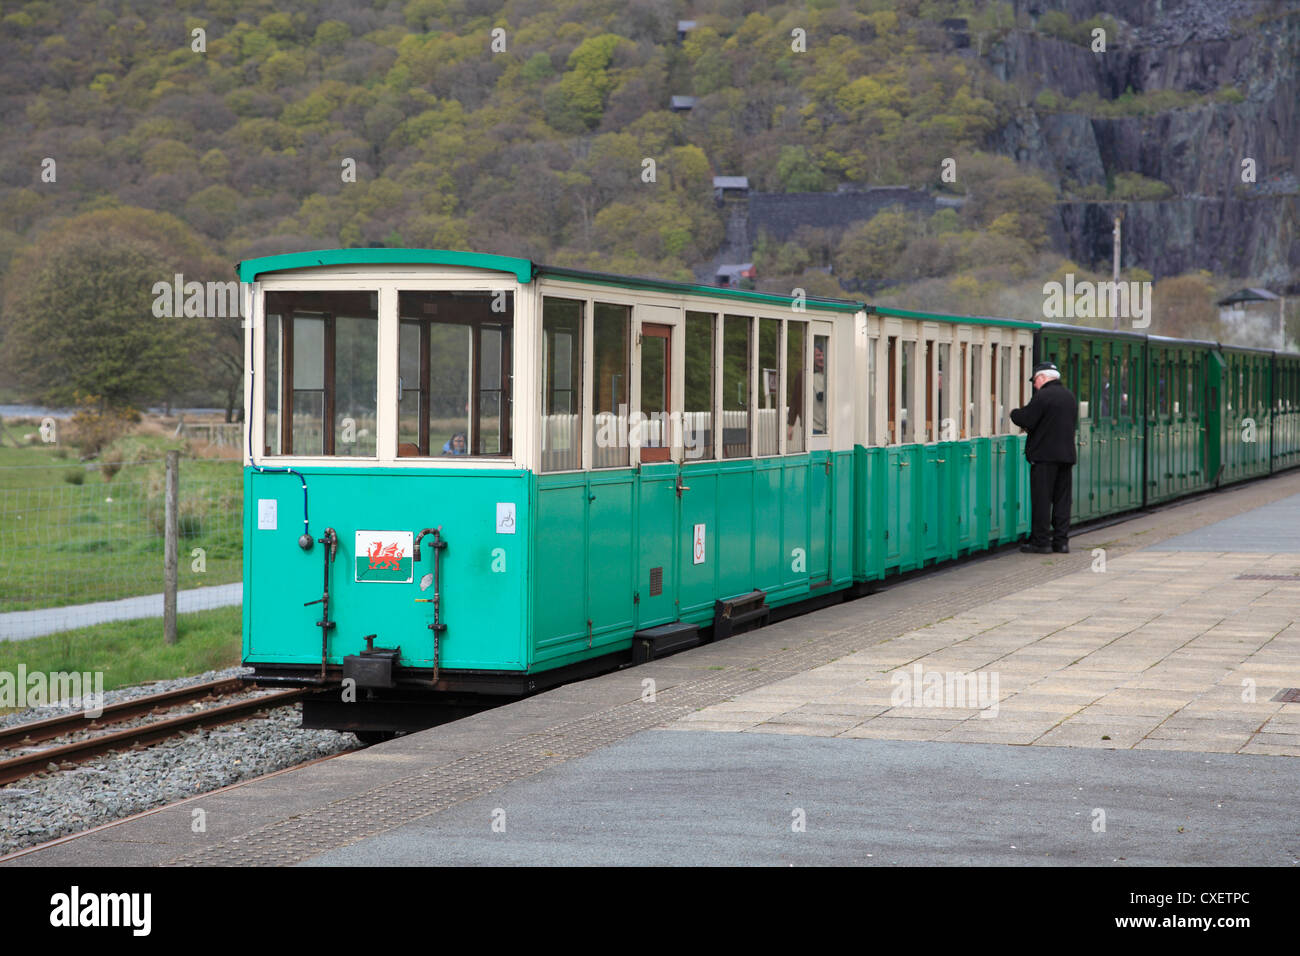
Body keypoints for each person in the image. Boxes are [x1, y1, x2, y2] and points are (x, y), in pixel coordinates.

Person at [1010, 361, 1078, 554]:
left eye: (1035, 381)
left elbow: (1027, 418)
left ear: (1042, 377)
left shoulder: (1044, 396)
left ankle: (1041, 542)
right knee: (1062, 501)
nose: (1034, 385)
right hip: (1066, 456)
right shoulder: (1069, 396)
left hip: (1044, 457)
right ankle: (1061, 542)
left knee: (1042, 500)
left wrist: (1013, 413)